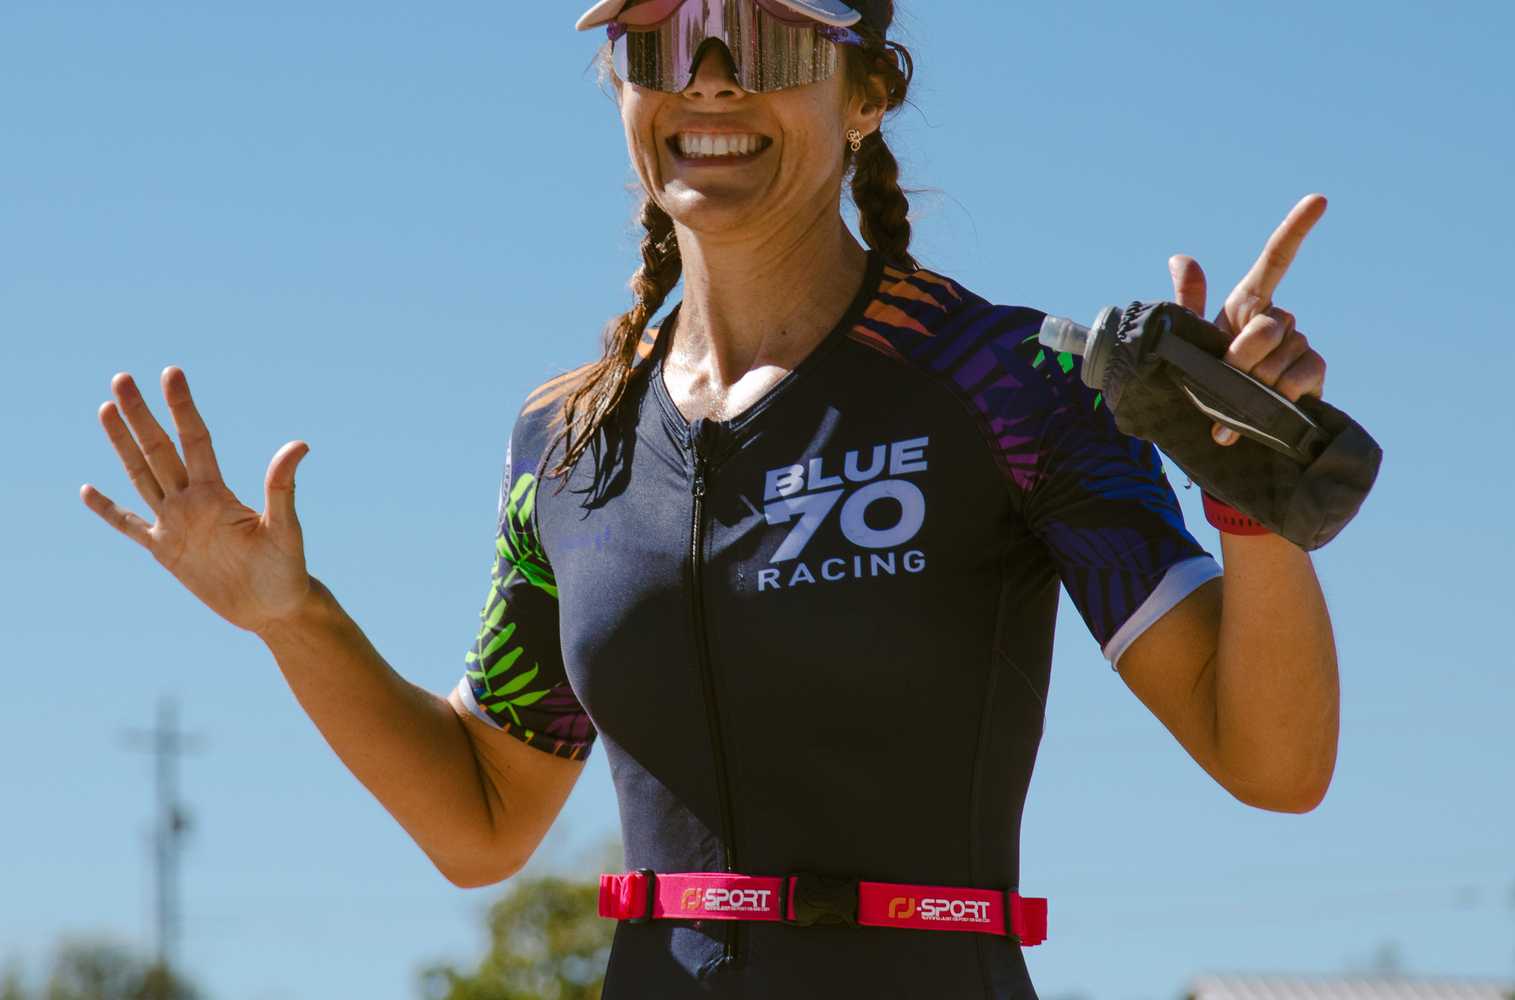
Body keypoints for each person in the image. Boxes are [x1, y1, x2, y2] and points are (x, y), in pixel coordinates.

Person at [80, 1, 1341, 996]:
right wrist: (292, 619)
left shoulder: (1012, 382)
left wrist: (1253, 500)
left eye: (770, 39)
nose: (713, 80)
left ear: (868, 94)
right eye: (663, 41)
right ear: (621, 89)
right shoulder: (564, 440)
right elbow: (482, 820)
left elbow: (1274, 762)